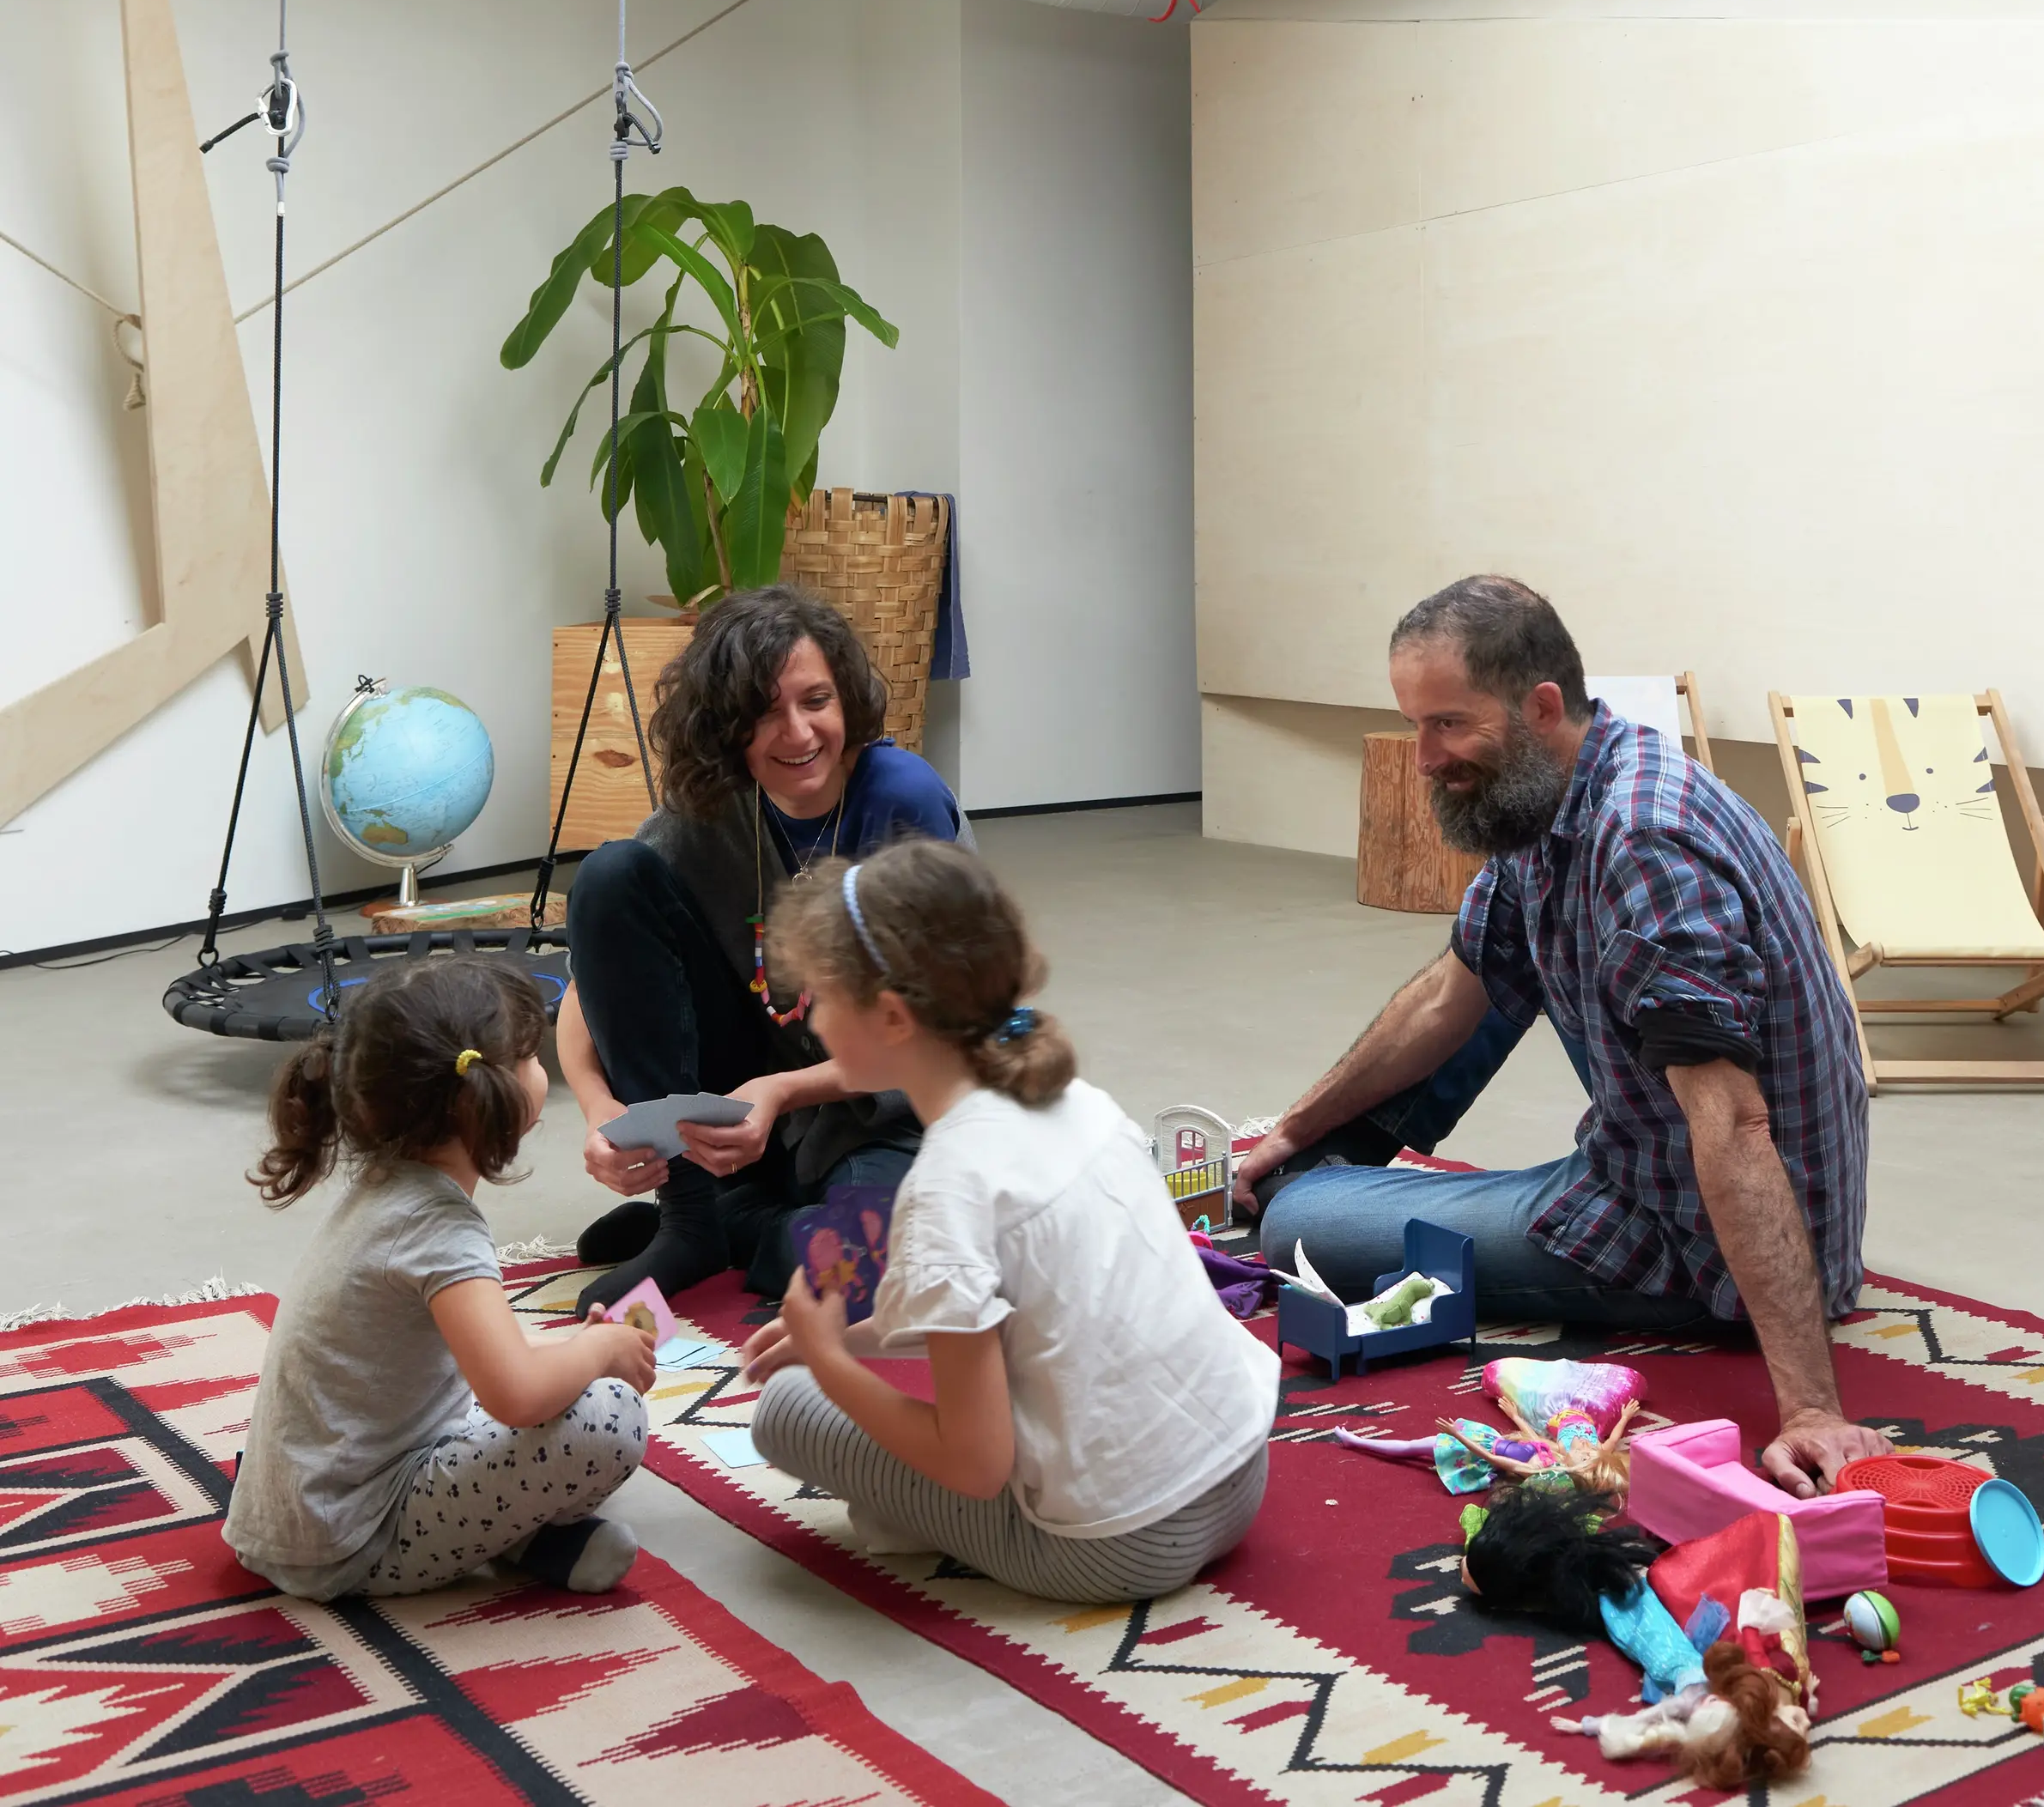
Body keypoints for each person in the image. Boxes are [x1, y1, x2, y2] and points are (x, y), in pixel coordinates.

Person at [1239, 576, 1888, 1501]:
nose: (1424, 758)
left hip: (1696, 1241)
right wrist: (1294, 1128)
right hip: (1660, 1154)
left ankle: (1327, 1184)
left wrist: (1812, 1409)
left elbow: (1737, 1123)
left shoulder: (1644, 843)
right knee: (1491, 963)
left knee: (1299, 1222)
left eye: (1448, 725)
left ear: (1542, 706)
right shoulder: (1567, 785)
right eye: (1416, 725)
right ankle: (1328, 1157)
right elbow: (1450, 997)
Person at [739, 842, 1277, 1598]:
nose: (813, 1023)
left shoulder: (946, 1187)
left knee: (787, 1411)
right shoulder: (1081, 1101)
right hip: (1239, 1478)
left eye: (820, 999)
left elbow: (974, 1464)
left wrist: (830, 1362)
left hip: (1119, 1548)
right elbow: (1038, 1293)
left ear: (892, 1015)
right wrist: (857, 1334)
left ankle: (914, 1526)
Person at [561, 586, 963, 1313]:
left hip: (892, 1107)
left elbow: (945, 1033)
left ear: (848, 699)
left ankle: (728, 1220)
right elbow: (583, 1002)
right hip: (760, 1111)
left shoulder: (901, 798)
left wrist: (781, 1092)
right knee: (608, 875)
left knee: (865, 1276)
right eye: (763, 711)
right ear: (724, 726)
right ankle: (690, 1214)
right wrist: (601, 1118)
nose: (798, 732)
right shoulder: (706, 812)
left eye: (816, 700)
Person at [224, 952, 654, 1600]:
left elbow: (464, 1355)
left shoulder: (388, 1190)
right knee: (609, 1418)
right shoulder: (439, 1229)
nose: (544, 1072)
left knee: (550, 1372)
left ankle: (521, 1533)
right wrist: (596, 1353)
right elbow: (514, 1395)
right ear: (486, 1097)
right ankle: (523, 1537)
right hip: (351, 1540)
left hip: (303, 1509)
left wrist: (572, 1352)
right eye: (533, 1059)